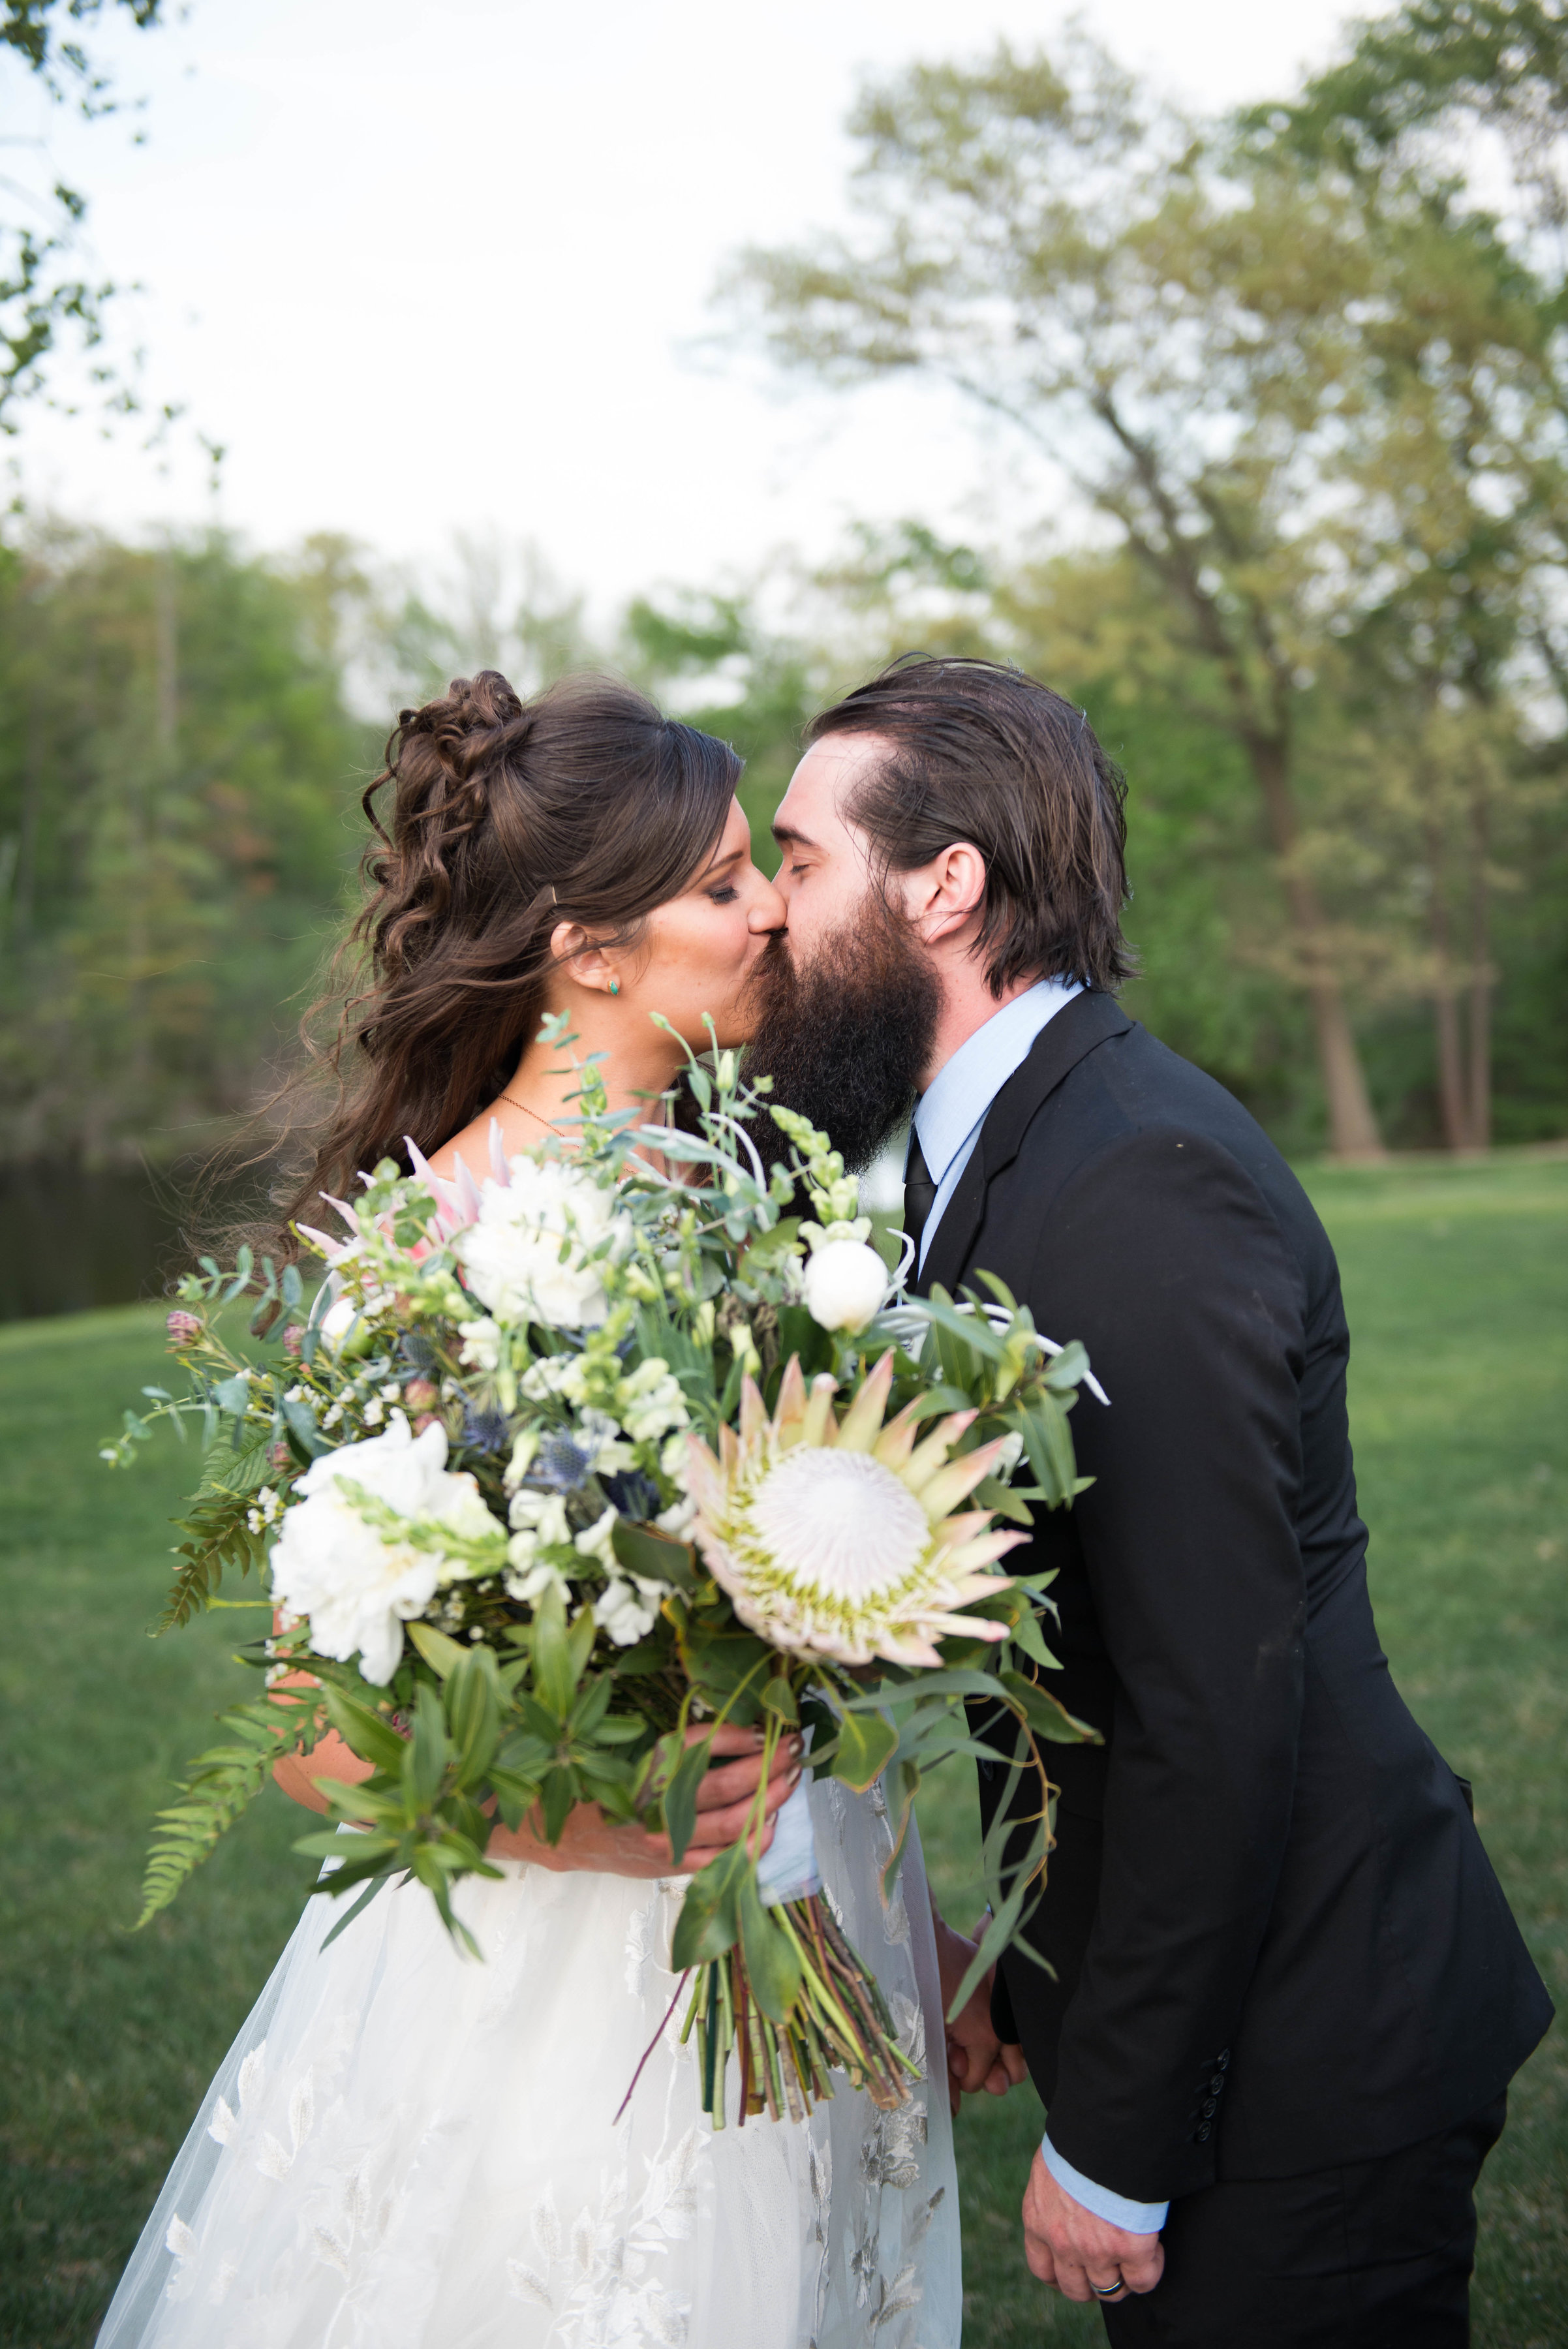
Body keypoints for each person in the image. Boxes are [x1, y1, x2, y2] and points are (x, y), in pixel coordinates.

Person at [97, 671, 992, 2349]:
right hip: (572, 1973)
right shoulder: (428, 1255)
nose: (773, 921)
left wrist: (896, 1900)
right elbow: (311, 1717)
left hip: (806, 1887)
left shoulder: (744, 1200)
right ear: (589, 948)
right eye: (725, 886)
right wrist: (602, 1823)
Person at [745, 653, 1554, 2347]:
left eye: (802, 860)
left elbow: (1212, 1708)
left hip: (1305, 2062)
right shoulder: (1000, 1144)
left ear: (943, 885)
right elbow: (1088, 1659)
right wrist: (1028, 1985)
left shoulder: (1137, 1187)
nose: (768, 912)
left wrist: (1115, 2145)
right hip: (1226, 2015)